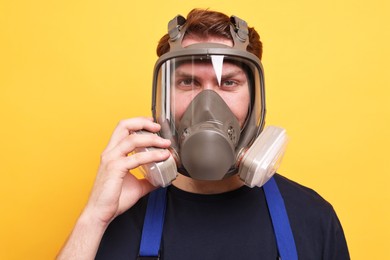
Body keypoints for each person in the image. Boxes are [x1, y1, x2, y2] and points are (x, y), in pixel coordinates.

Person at [57, 9, 350, 260]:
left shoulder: (313, 218)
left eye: (229, 83)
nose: (208, 103)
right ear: (163, 98)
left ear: (255, 99)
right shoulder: (117, 216)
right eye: (187, 81)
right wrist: (94, 217)